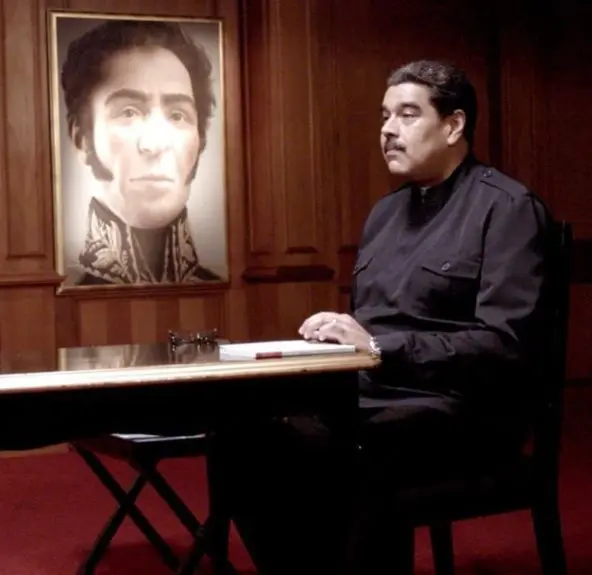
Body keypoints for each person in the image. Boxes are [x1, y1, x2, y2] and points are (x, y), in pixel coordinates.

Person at [221, 60, 555, 574]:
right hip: (374, 394)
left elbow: (504, 346)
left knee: (346, 453)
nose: (388, 130)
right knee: (246, 435)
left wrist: (378, 348)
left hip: (463, 410)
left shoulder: (508, 208)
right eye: (384, 116)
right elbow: (370, 324)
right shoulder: (386, 213)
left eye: (407, 114)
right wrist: (335, 335)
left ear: (454, 125)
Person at [59, 20, 223, 285]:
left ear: (200, 139)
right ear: (82, 139)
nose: (155, 143)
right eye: (128, 112)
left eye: (177, 115)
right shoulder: (61, 289)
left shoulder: (213, 286)